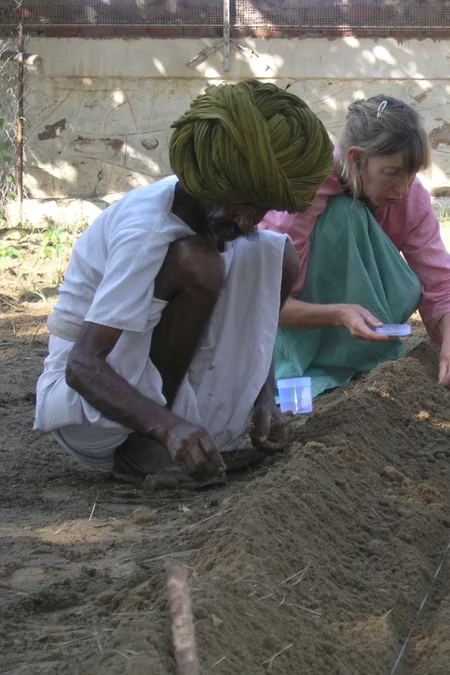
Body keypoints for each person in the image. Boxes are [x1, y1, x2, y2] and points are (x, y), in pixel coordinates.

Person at [33, 79, 335, 489]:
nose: (246, 222)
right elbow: (82, 367)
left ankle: (179, 433)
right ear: (208, 182)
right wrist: (166, 429)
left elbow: (260, 319)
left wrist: (265, 399)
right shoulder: (145, 228)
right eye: (238, 205)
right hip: (92, 410)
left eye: (258, 210)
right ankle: (144, 451)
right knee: (198, 263)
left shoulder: (231, 223)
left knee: (274, 254)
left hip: (165, 394)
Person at [259, 95, 450, 398]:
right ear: (356, 158)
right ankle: (323, 361)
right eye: (392, 172)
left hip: (361, 327)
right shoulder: (302, 194)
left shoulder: (411, 197)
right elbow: (265, 304)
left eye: (411, 174)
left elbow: (443, 284)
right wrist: (337, 314)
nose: (403, 188)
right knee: (344, 215)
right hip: (296, 334)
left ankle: (360, 357)